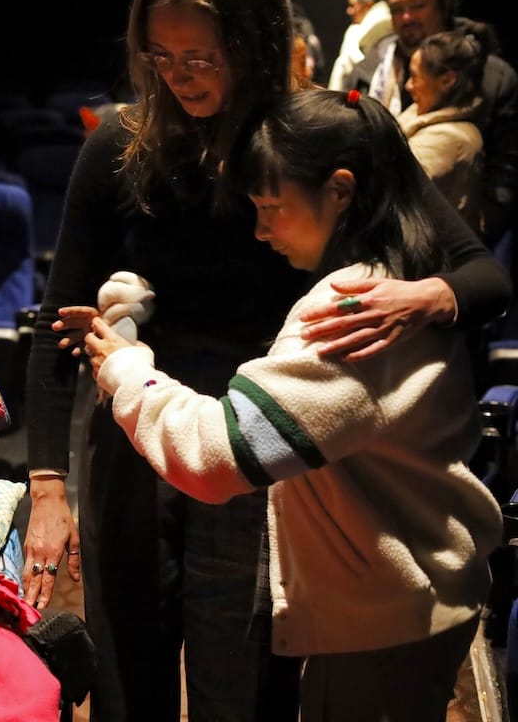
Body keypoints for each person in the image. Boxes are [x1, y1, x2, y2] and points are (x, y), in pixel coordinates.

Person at [20, 0, 513, 721]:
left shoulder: (320, 134)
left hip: (257, 439)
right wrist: (47, 486)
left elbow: (482, 276)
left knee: (242, 687)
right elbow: (59, 321)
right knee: (128, 679)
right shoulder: (121, 143)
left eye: (201, 57)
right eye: (160, 56)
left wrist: (427, 296)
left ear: (255, 39)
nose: (177, 77)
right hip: (138, 433)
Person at [82, 88, 504, 721]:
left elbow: (216, 455)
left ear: (339, 190)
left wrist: (126, 368)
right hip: (412, 597)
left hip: (384, 621)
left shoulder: (350, 311)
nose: (260, 230)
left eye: (271, 207)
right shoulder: (403, 272)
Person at [349, 0, 518, 249]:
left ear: (444, 7)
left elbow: (505, 169)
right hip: (384, 231)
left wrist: (480, 233)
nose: (406, 17)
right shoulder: (370, 70)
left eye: (417, 6)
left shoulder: (491, 75)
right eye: (397, 9)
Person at [400, 28, 489, 237]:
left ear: (447, 80)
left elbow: (395, 194)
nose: (408, 85)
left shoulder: (452, 139)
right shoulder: (419, 114)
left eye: (414, 76)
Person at [327, 0, 392, 92]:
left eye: (352, 5)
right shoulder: (385, 19)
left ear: (368, 4)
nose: (349, 11)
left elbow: (355, 62)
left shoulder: (358, 30)